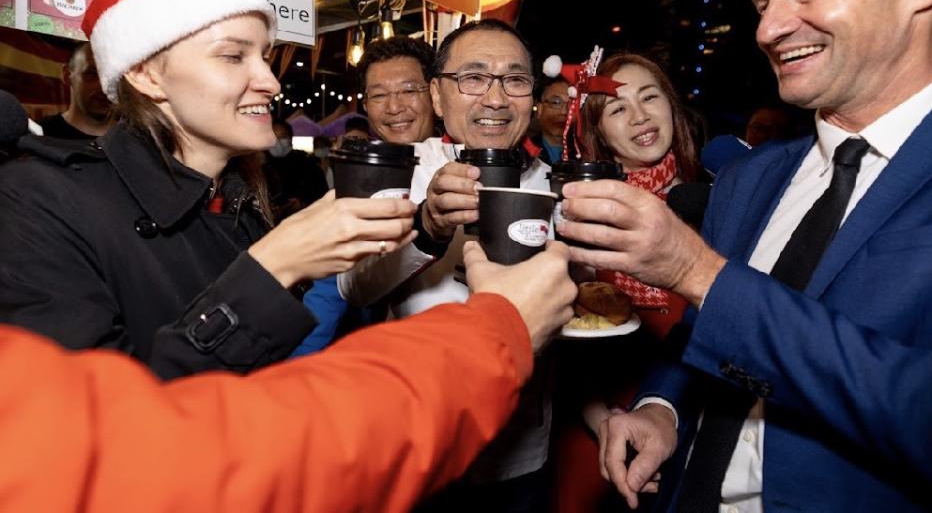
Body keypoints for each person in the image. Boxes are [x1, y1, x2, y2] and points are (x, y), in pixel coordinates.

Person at [558, 0, 932, 511]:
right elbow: (703, 332)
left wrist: (696, 271)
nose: (768, 30)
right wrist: (663, 408)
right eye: (762, 5)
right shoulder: (751, 179)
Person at [0, 0, 415, 380]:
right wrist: (273, 267)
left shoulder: (242, 206)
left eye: (265, 57)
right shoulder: (37, 200)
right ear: (145, 74)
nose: (271, 83)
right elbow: (99, 414)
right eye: (233, 56)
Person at [0, 239, 579, 512]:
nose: (272, 81)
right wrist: (494, 332)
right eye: (233, 54)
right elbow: (233, 456)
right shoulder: (42, 210)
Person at [340, 19, 552, 511]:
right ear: (437, 96)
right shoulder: (400, 170)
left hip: (521, 450)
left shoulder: (554, 183)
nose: (496, 99)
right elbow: (355, 286)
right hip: (421, 446)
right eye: (473, 78)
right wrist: (427, 225)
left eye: (514, 79)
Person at [552, 53, 700, 513]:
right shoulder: (581, 213)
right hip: (597, 433)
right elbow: (563, 348)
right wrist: (605, 424)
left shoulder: (718, 198)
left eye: (650, 97)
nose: (640, 116)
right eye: (618, 108)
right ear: (598, 131)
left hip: (694, 427)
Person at [361, 36, 436, 144]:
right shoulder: (357, 154)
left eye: (408, 91)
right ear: (365, 106)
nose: (394, 108)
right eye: (379, 95)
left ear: (435, 96)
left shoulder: (458, 151)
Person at [38, 43, 113, 139]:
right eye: (92, 74)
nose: (105, 87)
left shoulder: (131, 138)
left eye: (113, 77)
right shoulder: (38, 135)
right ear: (67, 75)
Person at [264, 118, 328, 221]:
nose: (278, 142)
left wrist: (303, 203)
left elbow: (323, 198)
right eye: (274, 137)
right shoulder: (260, 165)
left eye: (282, 137)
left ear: (290, 139)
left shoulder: (308, 164)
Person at [532, 75, 570, 164]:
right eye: (556, 103)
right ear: (539, 109)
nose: (564, 112)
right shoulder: (525, 152)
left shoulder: (586, 153)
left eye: (571, 103)